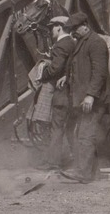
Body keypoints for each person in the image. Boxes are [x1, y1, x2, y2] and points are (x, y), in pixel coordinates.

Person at [59, 13, 108, 182]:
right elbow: (78, 66)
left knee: (85, 135)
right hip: (84, 97)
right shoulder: (82, 42)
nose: (72, 33)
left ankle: (83, 173)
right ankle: (94, 172)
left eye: (75, 29)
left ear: (85, 25)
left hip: (93, 99)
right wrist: (67, 76)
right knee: (84, 133)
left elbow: (99, 73)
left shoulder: (96, 43)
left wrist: (90, 95)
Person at [25, 13, 75, 161]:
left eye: (53, 28)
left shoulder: (61, 45)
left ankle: (53, 161)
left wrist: (42, 73)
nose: (51, 31)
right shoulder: (72, 43)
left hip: (59, 91)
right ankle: (70, 156)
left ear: (59, 28)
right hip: (70, 90)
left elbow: (55, 69)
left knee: (56, 127)